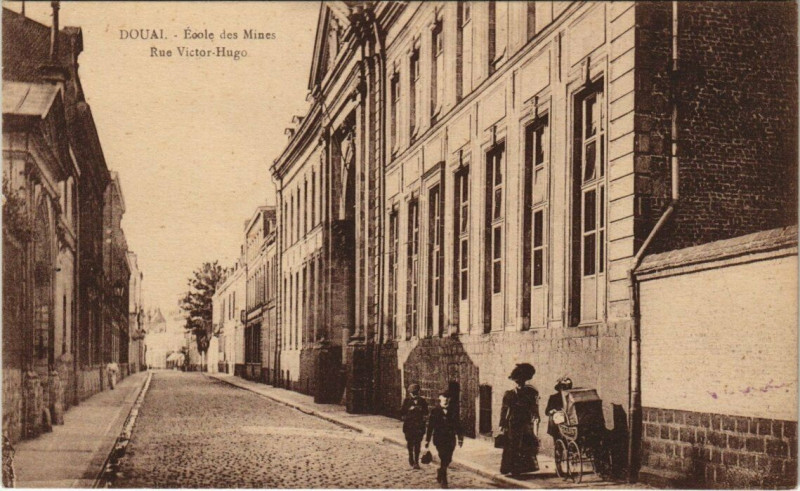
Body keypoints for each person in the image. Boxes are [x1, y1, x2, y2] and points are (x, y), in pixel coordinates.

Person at [499, 363, 540, 476]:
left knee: (525, 444)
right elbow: (504, 409)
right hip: (513, 422)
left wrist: (536, 417)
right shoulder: (510, 394)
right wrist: (502, 423)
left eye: (521, 381)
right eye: (517, 381)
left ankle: (522, 468)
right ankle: (511, 468)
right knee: (512, 445)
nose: (519, 383)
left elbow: (534, 407)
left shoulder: (531, 392)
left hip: (526, 421)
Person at [425, 391, 463, 488]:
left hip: (450, 439)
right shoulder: (435, 411)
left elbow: (458, 425)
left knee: (449, 458)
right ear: (440, 399)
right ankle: (444, 480)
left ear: (449, 400)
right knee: (443, 457)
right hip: (439, 438)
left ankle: (440, 471)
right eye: (443, 399)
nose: (445, 401)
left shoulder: (453, 410)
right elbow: (430, 427)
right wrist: (427, 440)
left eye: (447, 399)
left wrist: (460, 438)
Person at [400, 383, 429, 469]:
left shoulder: (422, 401)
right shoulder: (406, 401)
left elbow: (426, 412)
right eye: (412, 392)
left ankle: (416, 461)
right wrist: (410, 409)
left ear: (418, 392)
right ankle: (410, 457)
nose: (414, 394)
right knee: (410, 444)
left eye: (416, 392)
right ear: (410, 393)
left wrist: (421, 410)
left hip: (419, 426)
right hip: (409, 426)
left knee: (417, 444)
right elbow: (402, 412)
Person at [545, 377, 573, 447]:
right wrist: (552, 411)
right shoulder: (553, 397)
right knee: (558, 437)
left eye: (568, 387)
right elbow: (547, 411)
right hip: (557, 423)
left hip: (569, 421)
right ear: (560, 388)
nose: (565, 389)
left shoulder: (571, 397)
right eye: (563, 387)